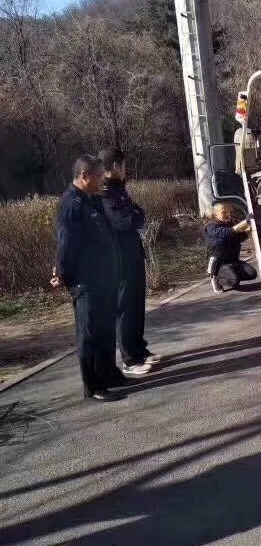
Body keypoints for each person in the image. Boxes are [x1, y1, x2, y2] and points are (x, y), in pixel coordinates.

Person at [52, 155, 126, 401]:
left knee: (105, 328)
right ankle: (93, 386)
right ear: (84, 176)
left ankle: (109, 373)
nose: (103, 180)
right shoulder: (72, 204)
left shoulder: (91, 200)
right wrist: (62, 274)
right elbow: (66, 243)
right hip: (86, 279)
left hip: (103, 276)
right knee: (89, 332)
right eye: (98, 176)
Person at [98, 148, 161, 376]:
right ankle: (129, 358)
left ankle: (139, 348)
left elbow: (138, 213)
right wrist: (136, 216)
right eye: (123, 166)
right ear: (115, 167)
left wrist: (136, 215)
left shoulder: (118, 190)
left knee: (137, 305)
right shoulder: (104, 193)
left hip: (132, 253)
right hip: (119, 258)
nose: (125, 170)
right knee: (125, 307)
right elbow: (126, 220)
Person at [205, 201, 257, 293]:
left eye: (228, 211)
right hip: (219, 264)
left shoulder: (229, 224)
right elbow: (228, 232)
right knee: (234, 281)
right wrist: (246, 221)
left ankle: (231, 276)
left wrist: (250, 227)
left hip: (232, 261)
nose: (227, 214)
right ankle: (216, 278)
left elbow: (240, 237)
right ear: (215, 214)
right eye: (223, 212)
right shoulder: (211, 227)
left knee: (252, 274)